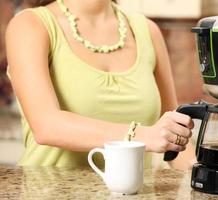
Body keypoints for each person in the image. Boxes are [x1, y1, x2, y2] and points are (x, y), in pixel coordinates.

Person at [5, 0, 195, 169]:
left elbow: (174, 136)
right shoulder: (30, 25)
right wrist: (142, 135)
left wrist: (204, 172)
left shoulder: (146, 30)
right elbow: (46, 125)